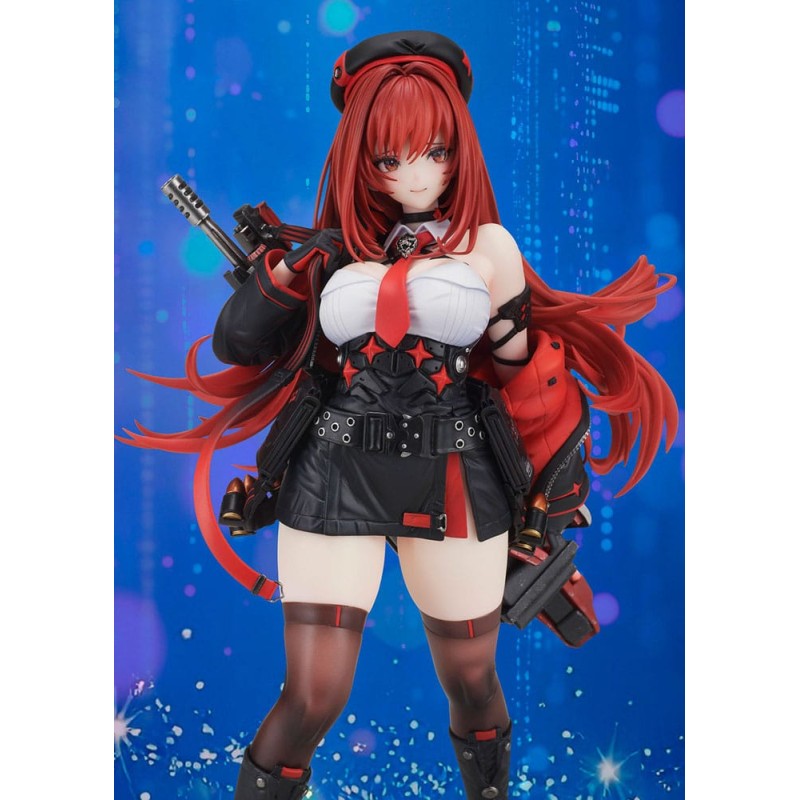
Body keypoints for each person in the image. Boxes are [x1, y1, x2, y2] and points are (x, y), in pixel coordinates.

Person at [122, 30, 677, 800]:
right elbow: (238, 344)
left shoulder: (489, 248)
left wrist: (552, 494)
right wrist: (284, 275)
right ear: (363, 159)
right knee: (310, 698)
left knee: (472, 681)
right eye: (389, 157)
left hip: (453, 473)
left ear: (459, 153)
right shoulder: (334, 251)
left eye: (435, 152)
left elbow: (526, 377)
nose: (415, 174)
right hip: (334, 470)